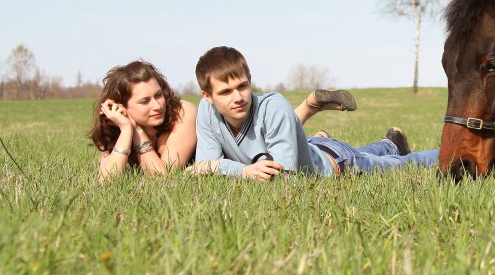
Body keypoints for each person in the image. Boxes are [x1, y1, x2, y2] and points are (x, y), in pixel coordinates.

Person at [188, 46, 439, 180]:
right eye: (226, 91)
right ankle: (390, 142)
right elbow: (204, 167)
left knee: (406, 165)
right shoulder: (207, 113)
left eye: (243, 86)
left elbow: (285, 179)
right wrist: (240, 171)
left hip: (337, 163)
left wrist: (230, 170)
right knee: (370, 151)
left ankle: (458, 152)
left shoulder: (274, 107)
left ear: (250, 80)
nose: (238, 97)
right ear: (207, 96)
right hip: (311, 144)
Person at [90, 60, 355, 181]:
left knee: (271, 132)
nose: (157, 104)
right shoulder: (117, 126)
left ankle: (315, 125)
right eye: (145, 101)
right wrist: (126, 130)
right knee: (275, 141)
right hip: (249, 157)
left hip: (247, 159)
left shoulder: (182, 113)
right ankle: (316, 130)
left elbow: (162, 178)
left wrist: (139, 134)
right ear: (123, 108)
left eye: (158, 95)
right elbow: (106, 181)